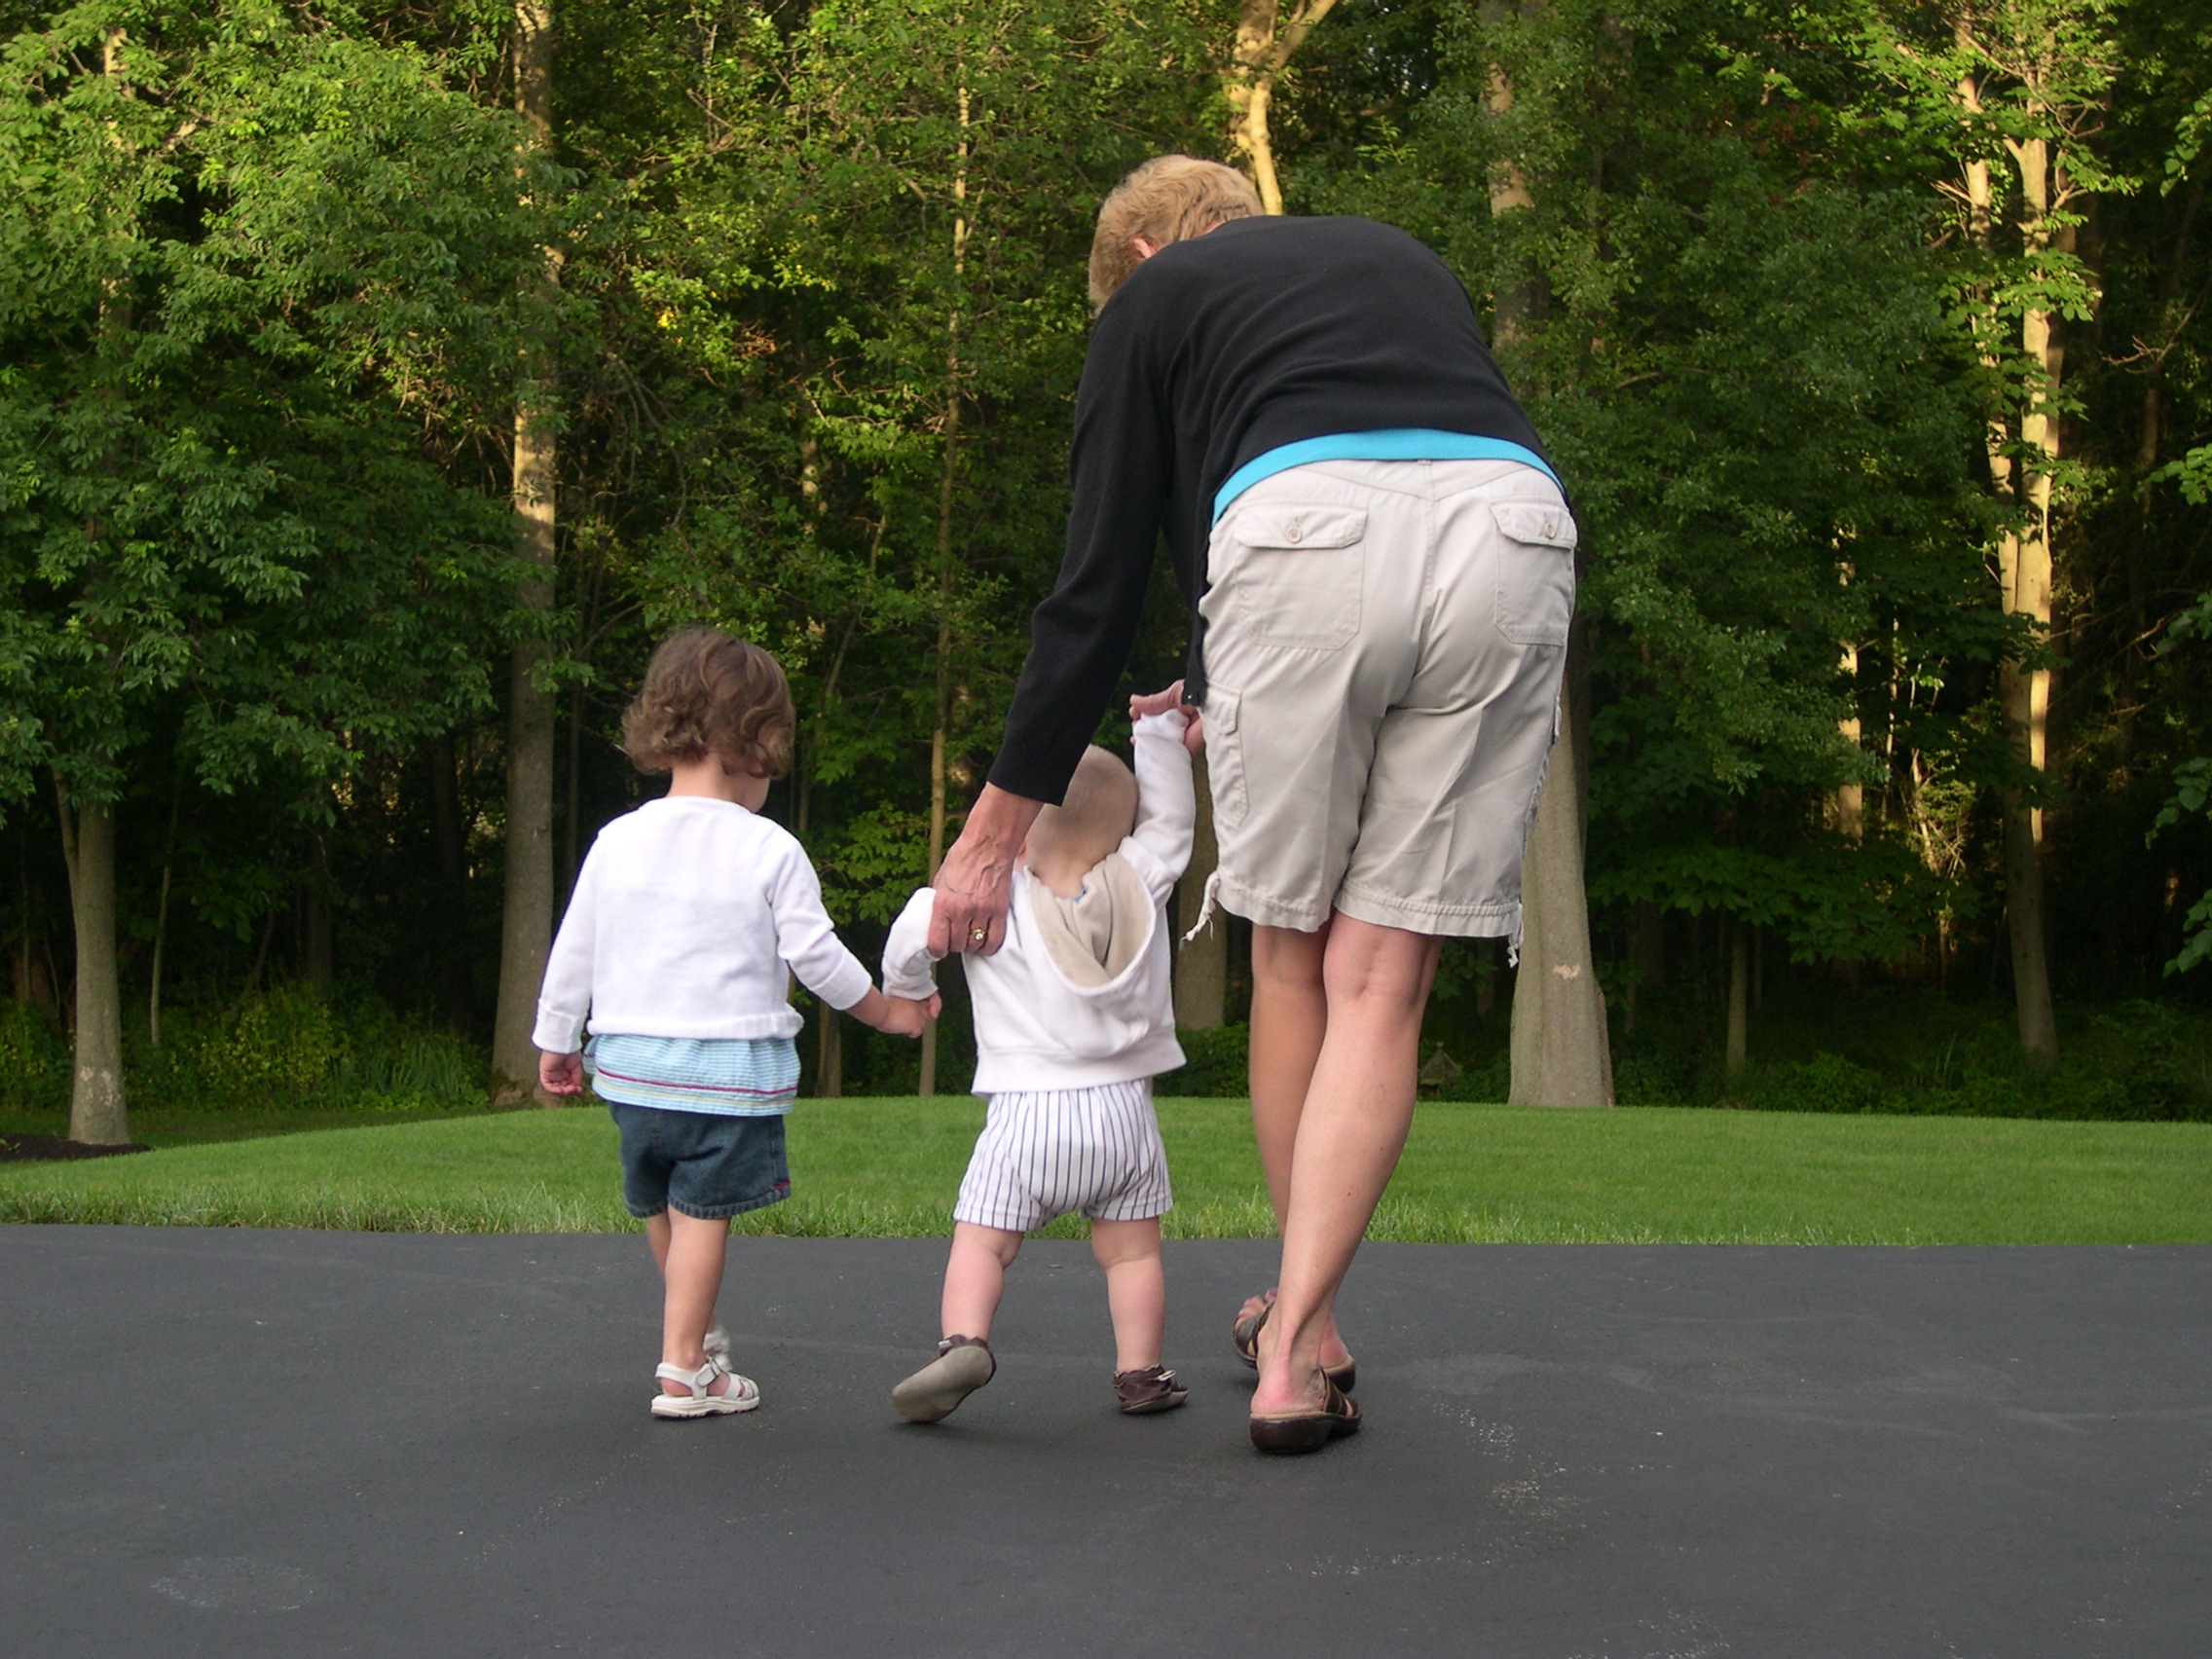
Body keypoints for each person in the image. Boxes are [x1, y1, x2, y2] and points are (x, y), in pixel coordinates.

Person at [928, 157, 1577, 1453]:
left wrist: (988, 839)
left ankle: (1301, 1348)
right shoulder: (1393, 251)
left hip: (1303, 533)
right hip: (1516, 523)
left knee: (1291, 958)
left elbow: (1097, 588)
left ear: (1151, 247)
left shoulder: (1152, 300)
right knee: (1383, 981)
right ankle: (1297, 1335)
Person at [535, 625, 938, 1419]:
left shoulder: (617, 839)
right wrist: (889, 1013)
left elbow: (574, 945)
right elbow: (817, 959)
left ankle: (698, 1336)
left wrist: (555, 1037)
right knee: (705, 1214)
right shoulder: (769, 848)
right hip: (724, 1076)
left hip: (632, 1071)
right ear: (757, 743)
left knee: (658, 1201)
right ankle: (686, 1369)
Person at [880, 692, 1197, 1422]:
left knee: (982, 1245)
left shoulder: (989, 903)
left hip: (1026, 1118)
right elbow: (1174, 825)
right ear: (1120, 834)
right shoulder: (1139, 886)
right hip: (1125, 1119)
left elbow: (911, 936)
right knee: (1132, 1256)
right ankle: (1140, 1373)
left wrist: (910, 986)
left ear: (1017, 836)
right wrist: (1156, 730)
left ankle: (964, 1341)